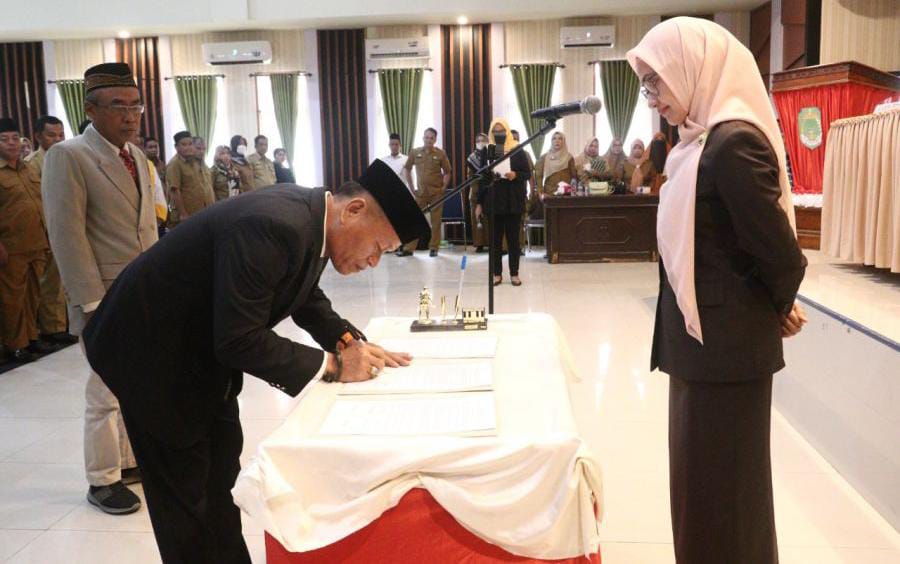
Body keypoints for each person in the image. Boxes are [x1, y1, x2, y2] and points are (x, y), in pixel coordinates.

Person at [81, 159, 429, 564]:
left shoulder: (313, 220)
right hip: (152, 354)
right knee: (186, 503)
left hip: (200, 351)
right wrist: (334, 366)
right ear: (354, 210)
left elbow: (302, 291)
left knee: (220, 485)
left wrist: (349, 341)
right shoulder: (274, 224)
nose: (373, 262)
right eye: (378, 248)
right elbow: (239, 339)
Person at [627, 17, 809, 564]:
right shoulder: (696, 140)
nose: (651, 96)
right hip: (701, 348)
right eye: (645, 85)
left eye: (655, 80)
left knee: (728, 499)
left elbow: (778, 251)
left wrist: (775, 305)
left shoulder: (732, 143)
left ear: (693, 68)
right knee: (702, 495)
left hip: (726, 353)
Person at [42, 62, 158, 515]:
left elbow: (145, 230)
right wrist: (91, 304)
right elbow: (67, 235)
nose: (130, 116)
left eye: (136, 106)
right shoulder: (68, 156)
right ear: (90, 109)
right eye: (117, 106)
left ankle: (128, 462)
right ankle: (102, 479)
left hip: (142, 292)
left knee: (137, 383)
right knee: (104, 391)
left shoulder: (138, 157)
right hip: (103, 296)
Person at [0, 118, 54, 363]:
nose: (11, 143)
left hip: (37, 242)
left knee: (33, 296)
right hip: (11, 247)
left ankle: (32, 338)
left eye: (15, 138)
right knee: (12, 299)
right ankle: (15, 344)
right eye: (4, 139)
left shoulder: (28, 168)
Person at [25, 115, 78, 347]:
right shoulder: (31, 164)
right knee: (49, 281)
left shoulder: (68, 157)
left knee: (65, 279)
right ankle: (51, 328)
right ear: (38, 136)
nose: (57, 139)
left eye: (61, 135)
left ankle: (62, 324)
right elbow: (37, 201)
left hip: (68, 225)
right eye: (51, 135)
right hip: (45, 228)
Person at [475, 119, 531, 287]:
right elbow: (482, 179)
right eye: (495, 131)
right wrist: (479, 203)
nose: (498, 134)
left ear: (507, 131)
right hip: (493, 200)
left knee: (513, 241)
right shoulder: (487, 150)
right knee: (495, 241)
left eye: (501, 131)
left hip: (513, 200)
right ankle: (497, 274)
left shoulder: (517, 149)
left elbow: (527, 173)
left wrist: (515, 174)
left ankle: (514, 274)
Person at [402, 127, 452, 257]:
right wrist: (411, 187)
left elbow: (447, 172)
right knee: (415, 219)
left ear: (435, 140)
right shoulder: (415, 152)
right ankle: (409, 248)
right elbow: (407, 169)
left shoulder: (441, 154)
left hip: (436, 193)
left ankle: (434, 248)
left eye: (431, 138)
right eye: (426, 137)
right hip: (421, 193)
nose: (428, 140)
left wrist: (443, 187)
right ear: (423, 138)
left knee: (436, 222)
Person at [166, 130, 215, 227]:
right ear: (176, 147)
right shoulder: (175, 164)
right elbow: (175, 190)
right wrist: (183, 213)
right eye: (184, 145)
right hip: (187, 216)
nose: (188, 147)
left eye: (190, 144)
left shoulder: (195, 161)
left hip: (203, 212)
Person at [532, 131, 576, 219]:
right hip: (549, 194)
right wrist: (541, 193)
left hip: (565, 195)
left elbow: (573, 176)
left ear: (563, 141)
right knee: (550, 220)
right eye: (554, 138)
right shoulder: (544, 157)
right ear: (551, 141)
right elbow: (539, 176)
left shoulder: (569, 157)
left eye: (560, 138)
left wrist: (573, 192)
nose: (557, 141)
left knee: (565, 220)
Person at [465, 132, 489, 253]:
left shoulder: (490, 157)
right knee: (477, 219)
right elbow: (470, 177)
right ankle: (479, 244)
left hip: (489, 192)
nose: (481, 143)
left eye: (483, 140)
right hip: (475, 192)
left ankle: (490, 242)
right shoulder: (471, 158)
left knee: (488, 219)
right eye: (478, 141)